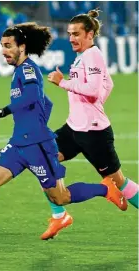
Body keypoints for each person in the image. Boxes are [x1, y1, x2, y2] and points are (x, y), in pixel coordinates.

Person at [0, 22, 127, 256]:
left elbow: (31, 96)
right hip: (19, 144)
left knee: (61, 197)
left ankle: (104, 188)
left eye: (9, 46)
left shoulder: (29, 70)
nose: (4, 51)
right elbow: (45, 103)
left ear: (22, 47)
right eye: (2, 46)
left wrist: (4, 111)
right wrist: (35, 119)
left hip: (38, 147)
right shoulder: (18, 71)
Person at [41, 8, 138, 241]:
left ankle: (108, 190)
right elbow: (108, 83)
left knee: (120, 183)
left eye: (76, 34)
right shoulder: (83, 56)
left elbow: (94, 90)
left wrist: (63, 83)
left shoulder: (93, 55)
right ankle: (59, 215)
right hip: (74, 128)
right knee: (43, 158)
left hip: (94, 133)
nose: (71, 38)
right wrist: (94, 100)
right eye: (69, 33)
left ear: (90, 35)